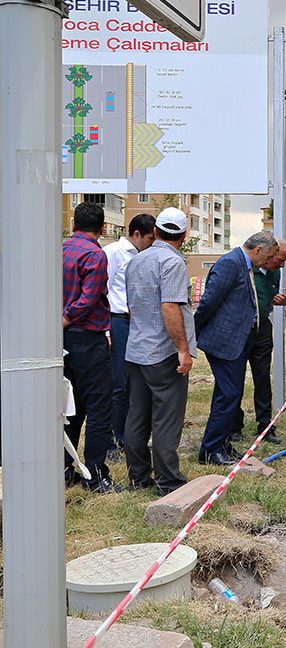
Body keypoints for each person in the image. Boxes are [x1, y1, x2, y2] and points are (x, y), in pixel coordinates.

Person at [122, 208, 195, 495]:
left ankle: (138, 477)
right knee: (166, 418)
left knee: (137, 415)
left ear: (157, 230)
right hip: (163, 353)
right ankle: (168, 482)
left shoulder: (137, 260)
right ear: (184, 235)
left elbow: (132, 305)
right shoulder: (172, 262)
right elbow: (170, 306)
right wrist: (183, 350)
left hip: (137, 349)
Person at [194, 231, 279, 465]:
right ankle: (210, 450)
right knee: (228, 394)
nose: (269, 262)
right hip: (224, 341)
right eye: (269, 256)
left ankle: (221, 444)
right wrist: (195, 330)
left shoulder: (243, 264)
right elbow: (209, 302)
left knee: (230, 394)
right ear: (258, 250)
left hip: (238, 341)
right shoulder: (231, 263)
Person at [62, 201, 120, 492]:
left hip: (60, 342)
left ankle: (63, 468)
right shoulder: (94, 254)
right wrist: (67, 318)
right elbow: (89, 298)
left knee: (69, 407)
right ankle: (96, 476)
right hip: (87, 337)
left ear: (73, 224)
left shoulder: (58, 249)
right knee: (99, 407)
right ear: (103, 228)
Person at [104, 212, 156, 461]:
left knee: (135, 383)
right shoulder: (114, 252)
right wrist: (106, 329)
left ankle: (128, 438)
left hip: (137, 323)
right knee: (119, 383)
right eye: (148, 238)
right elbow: (102, 290)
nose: (151, 242)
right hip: (118, 321)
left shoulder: (143, 256)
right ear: (136, 234)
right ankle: (113, 442)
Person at [232, 239, 286, 445]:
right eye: (280, 260)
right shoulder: (244, 269)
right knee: (235, 379)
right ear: (269, 254)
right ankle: (234, 426)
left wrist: (281, 300)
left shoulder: (274, 272)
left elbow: (271, 296)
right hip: (241, 329)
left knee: (263, 378)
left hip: (262, 328)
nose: (282, 265)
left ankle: (266, 426)